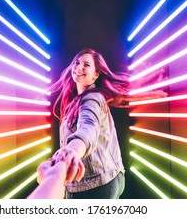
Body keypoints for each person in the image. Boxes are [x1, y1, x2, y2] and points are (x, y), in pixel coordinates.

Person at [46, 48, 167, 199]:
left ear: (95, 75)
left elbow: (88, 129)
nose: (79, 67)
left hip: (96, 186)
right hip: (102, 180)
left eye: (86, 65)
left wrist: (72, 152)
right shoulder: (77, 101)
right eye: (77, 63)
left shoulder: (92, 99)